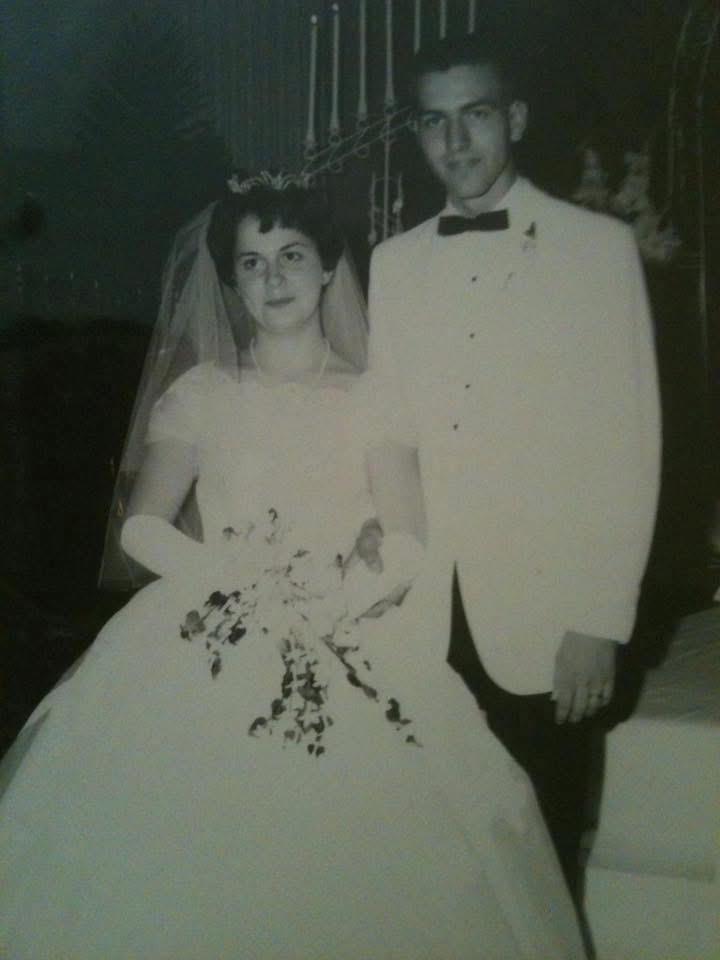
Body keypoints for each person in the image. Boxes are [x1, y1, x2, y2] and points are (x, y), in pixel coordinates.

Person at [0, 174, 587, 958]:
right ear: (232, 282)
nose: (273, 278)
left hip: (341, 631)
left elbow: (410, 539)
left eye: (290, 255)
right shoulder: (204, 394)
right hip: (205, 630)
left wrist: (340, 599)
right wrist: (231, 582)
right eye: (251, 263)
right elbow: (143, 526)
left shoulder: (374, 395)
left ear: (326, 266)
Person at [368, 33, 661, 905]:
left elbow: (629, 443)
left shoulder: (595, 249)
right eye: (435, 121)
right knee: (442, 867)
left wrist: (599, 616)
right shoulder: (393, 263)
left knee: (542, 865)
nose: (455, 143)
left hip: (546, 621)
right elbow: (389, 434)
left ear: (517, 120)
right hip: (427, 620)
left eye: (477, 116)